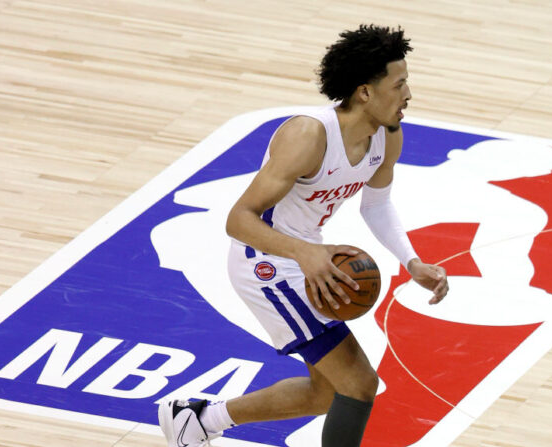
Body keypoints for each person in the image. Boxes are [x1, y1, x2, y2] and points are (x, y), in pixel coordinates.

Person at [158, 24, 449, 447]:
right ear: (365, 91)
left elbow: (377, 205)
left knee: (327, 392)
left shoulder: (386, 137)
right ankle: (198, 421)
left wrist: (412, 262)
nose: (408, 94)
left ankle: (198, 420)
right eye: (399, 83)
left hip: (306, 257)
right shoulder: (308, 135)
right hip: (265, 262)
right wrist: (306, 253)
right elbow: (239, 220)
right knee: (359, 383)